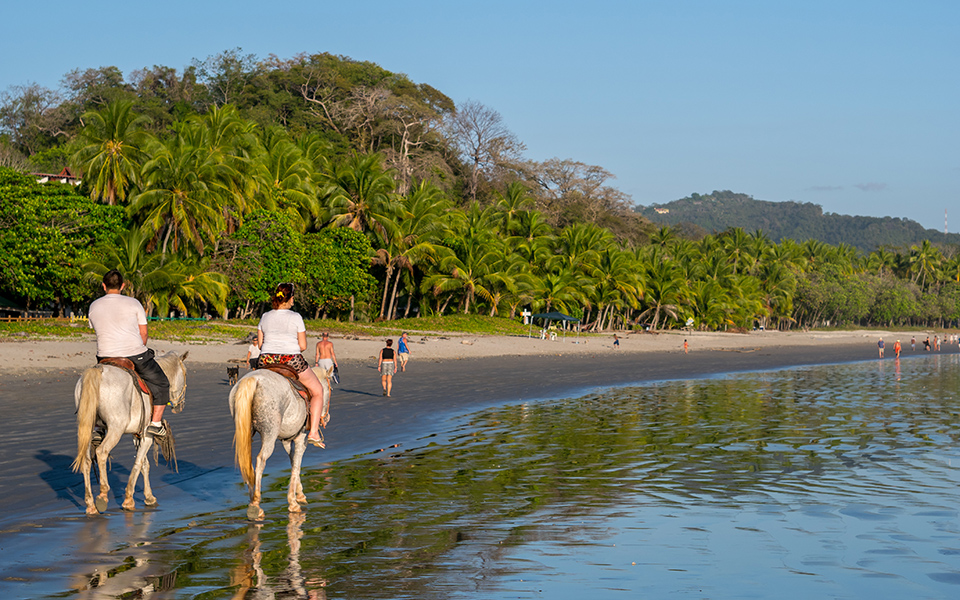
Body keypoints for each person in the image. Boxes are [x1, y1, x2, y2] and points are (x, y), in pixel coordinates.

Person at [88, 270, 171, 437]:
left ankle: (98, 429)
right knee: (162, 383)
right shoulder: (134, 303)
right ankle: (155, 423)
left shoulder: (94, 305)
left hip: (104, 358)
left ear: (104, 286)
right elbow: (144, 334)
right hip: (134, 355)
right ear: (123, 286)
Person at [257, 283, 327, 447]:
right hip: (291, 360)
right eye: (293, 296)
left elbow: (260, 344)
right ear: (289, 298)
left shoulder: (265, 316)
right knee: (318, 391)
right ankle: (314, 432)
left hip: (266, 359)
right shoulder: (295, 317)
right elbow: (302, 346)